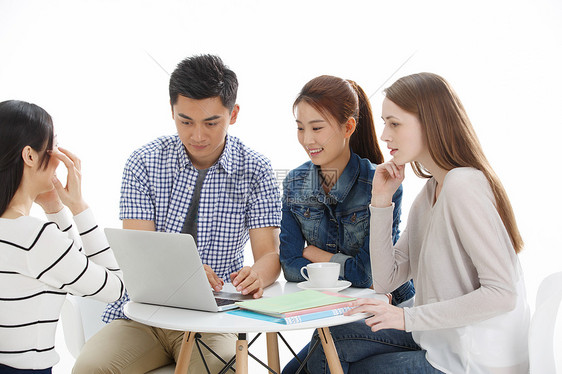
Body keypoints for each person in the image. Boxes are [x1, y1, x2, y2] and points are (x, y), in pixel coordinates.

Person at [306, 72, 530, 373]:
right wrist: (381, 201)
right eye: (385, 123)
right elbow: (386, 280)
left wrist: (405, 318)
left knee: (354, 366)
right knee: (331, 340)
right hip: (440, 339)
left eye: (394, 124)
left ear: (431, 123)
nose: (384, 135)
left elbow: (502, 294)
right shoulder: (431, 192)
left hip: (471, 360)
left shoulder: (463, 185)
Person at [73, 54, 282, 374]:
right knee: (89, 368)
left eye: (211, 122)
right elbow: (138, 253)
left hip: (213, 321)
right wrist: (186, 274)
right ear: (171, 111)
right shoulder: (144, 162)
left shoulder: (256, 169)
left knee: (222, 369)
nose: (198, 135)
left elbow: (268, 255)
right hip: (143, 317)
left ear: (234, 114)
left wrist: (258, 275)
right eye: (186, 121)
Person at [279, 75, 415, 374]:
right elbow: (288, 265)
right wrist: (343, 266)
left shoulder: (379, 183)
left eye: (317, 128)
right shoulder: (294, 183)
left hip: (390, 308)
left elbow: (369, 275)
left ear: (348, 127)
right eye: (300, 128)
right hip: (336, 310)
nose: (307, 140)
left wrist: (316, 255)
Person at [0, 100, 125, 374]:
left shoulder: (24, 235)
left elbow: (69, 267)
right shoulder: (35, 238)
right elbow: (116, 287)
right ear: (30, 156)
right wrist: (77, 206)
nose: (57, 155)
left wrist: (53, 208)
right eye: (53, 145)